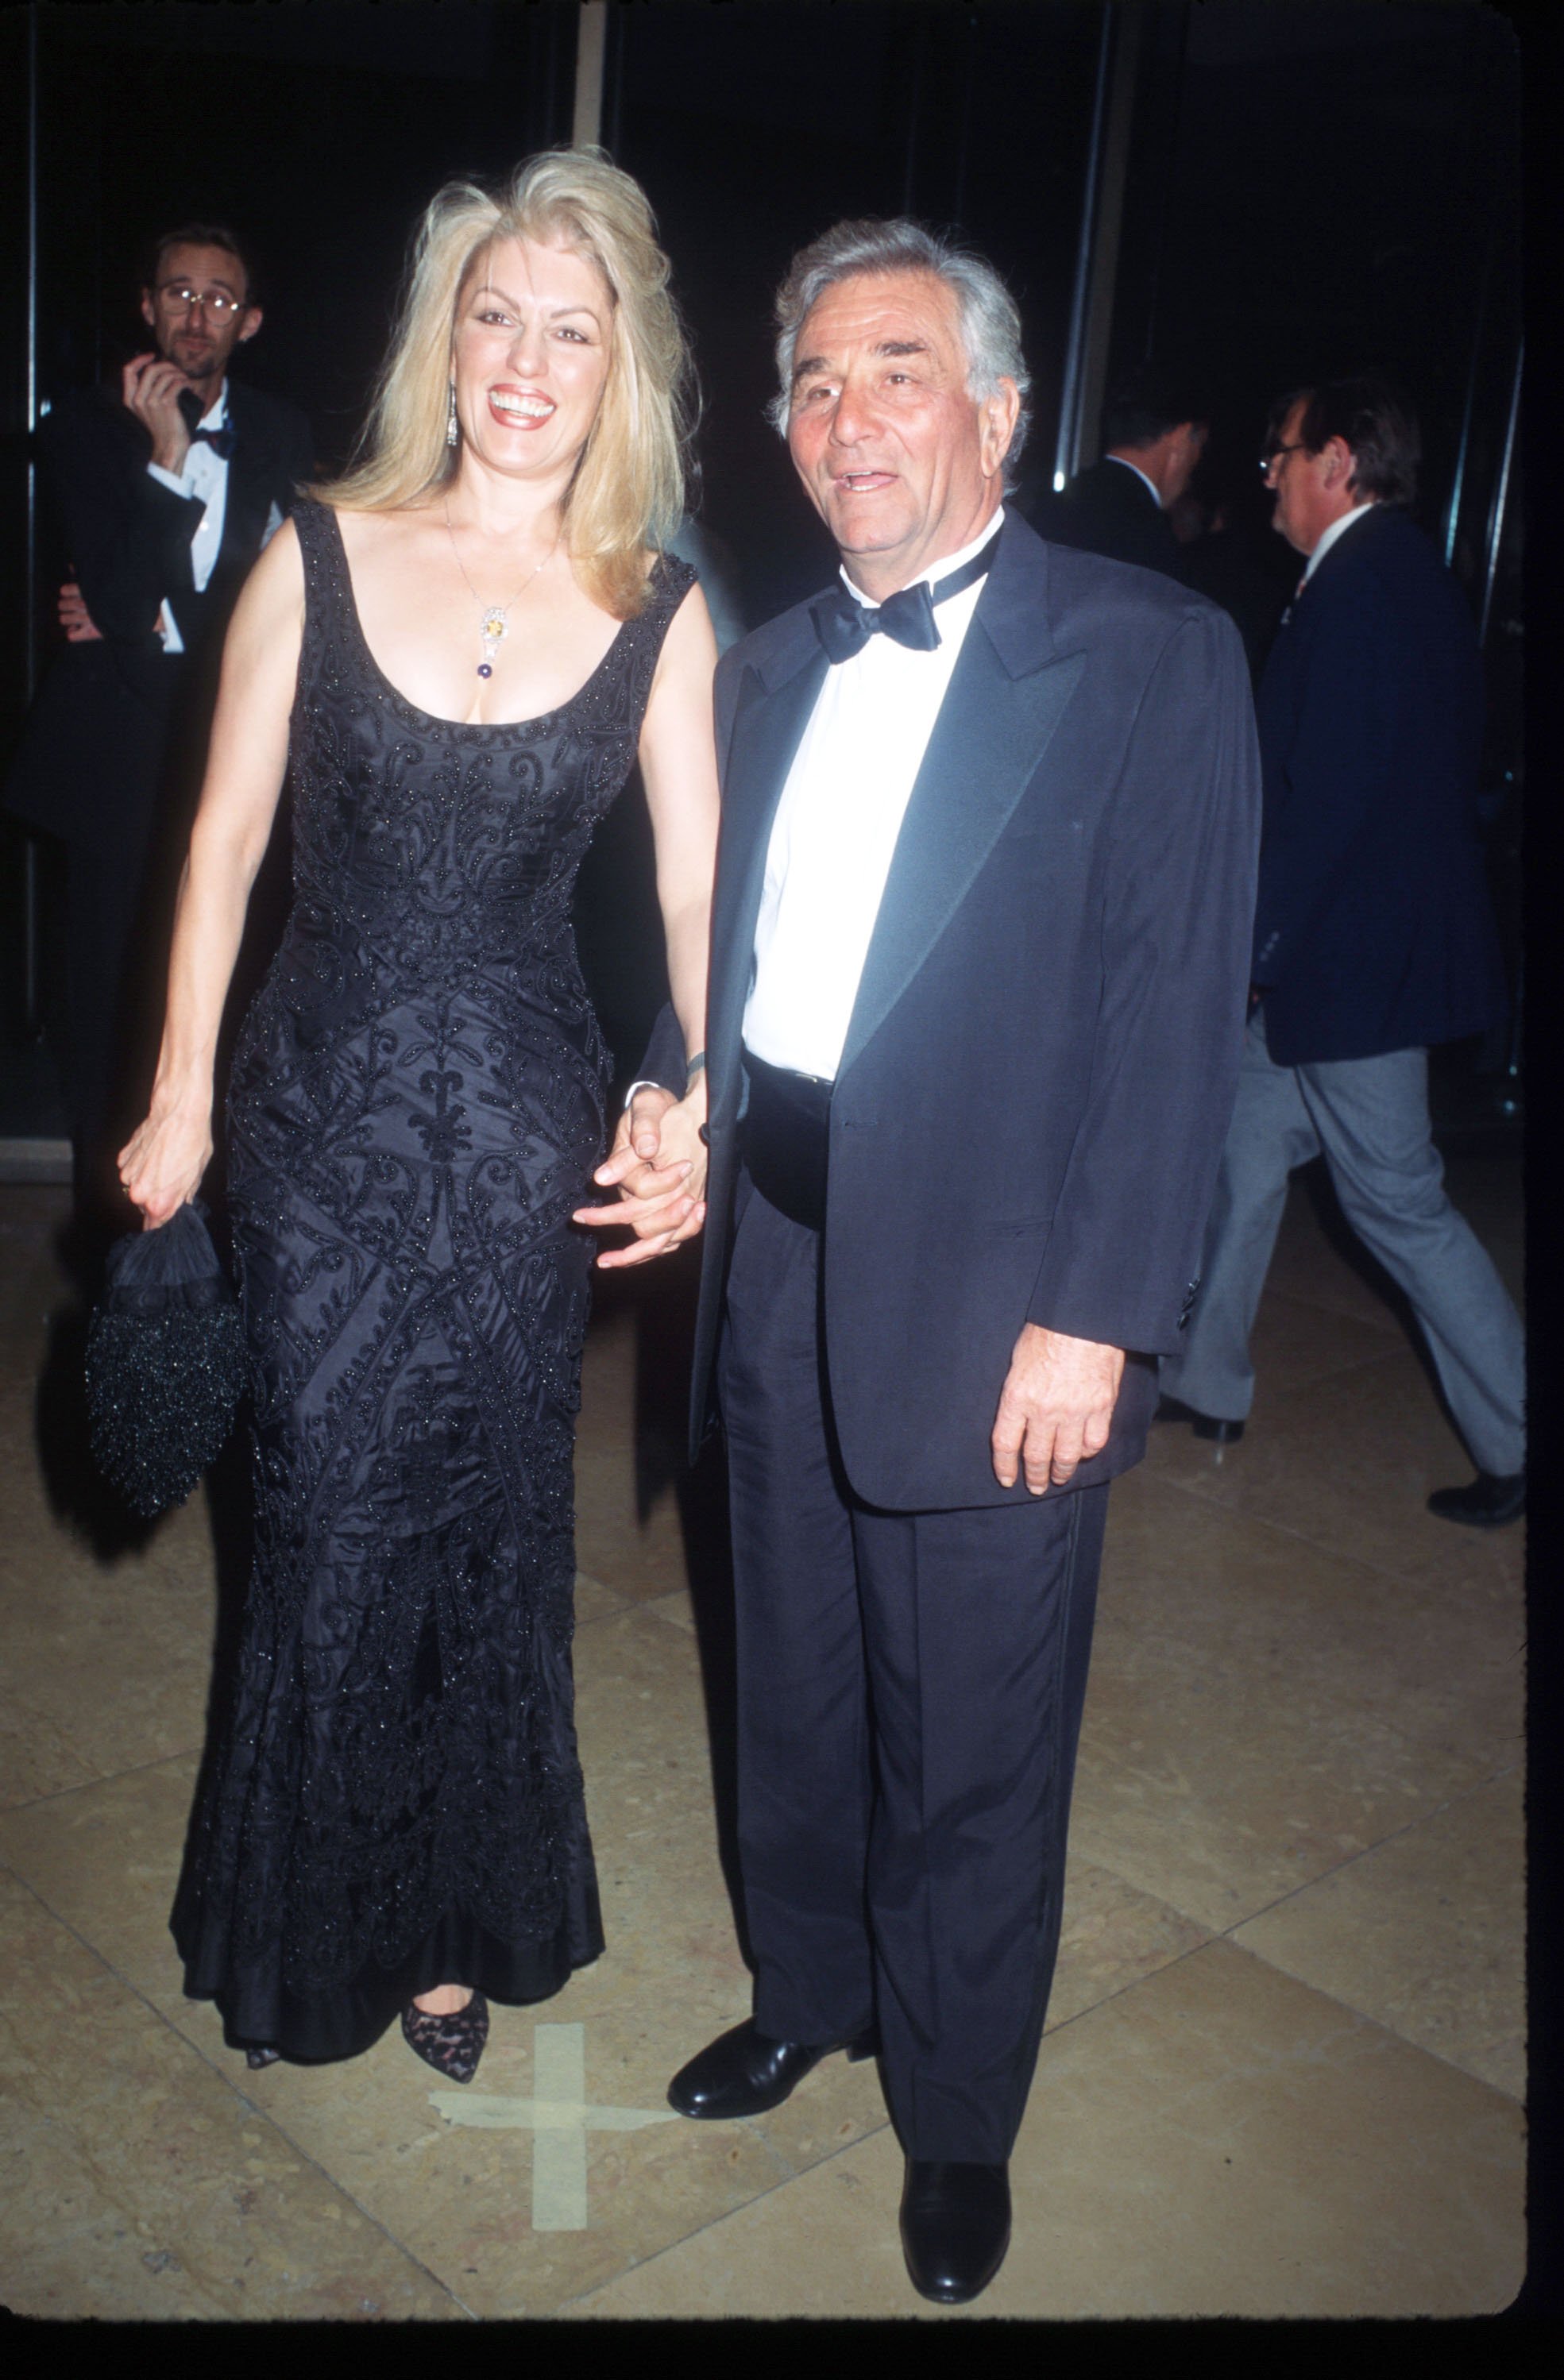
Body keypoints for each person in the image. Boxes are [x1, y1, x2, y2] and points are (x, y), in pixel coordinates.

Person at [577, 218, 1260, 2302]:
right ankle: (809, 1988)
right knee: (783, 1669)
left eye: (891, 372)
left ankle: (956, 2114)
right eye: (809, 385)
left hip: (1001, 1287)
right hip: (772, 1253)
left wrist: (1106, 1308)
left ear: (998, 407)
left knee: (971, 1726)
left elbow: (1174, 1012)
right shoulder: (764, 661)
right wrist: (664, 1091)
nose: (844, 418)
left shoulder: (1149, 656)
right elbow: (721, 955)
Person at [117, 151, 720, 2077]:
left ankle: (453, 1933)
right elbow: (215, 846)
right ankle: (310, 1933)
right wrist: (179, 1100)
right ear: (440, 341)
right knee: (321, 1528)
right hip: (316, 1130)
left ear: (618, 362)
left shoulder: (659, 605)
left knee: (480, 1536)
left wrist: (689, 1087)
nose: (525, 361)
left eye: (569, 327)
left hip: (527, 1157)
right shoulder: (317, 548)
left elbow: (705, 891)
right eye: (494, 317)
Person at [1157, 376, 1524, 1526]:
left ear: (1338, 463)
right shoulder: (1402, 576)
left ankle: (1522, 1436)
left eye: (1281, 452)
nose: (1266, 473)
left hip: (1350, 970)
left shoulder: (1362, 591)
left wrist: (1255, 946)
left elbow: (1334, 807)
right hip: (1350, 956)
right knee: (1239, 1140)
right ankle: (1203, 1377)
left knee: (1401, 1206)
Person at [3, 225, 313, 1236]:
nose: (196, 314)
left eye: (220, 299)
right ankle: (114, 1255)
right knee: (107, 1024)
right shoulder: (86, 431)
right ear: (147, 305)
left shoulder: (282, 436)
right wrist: (169, 460)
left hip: (231, 765)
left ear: (250, 321)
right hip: (114, 776)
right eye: (178, 293)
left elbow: (253, 619)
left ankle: (208, 1244)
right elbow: (133, 604)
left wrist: (152, 620)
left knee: (219, 1015)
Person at [1026, 364, 1207, 579]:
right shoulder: (1146, 536)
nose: (1198, 460)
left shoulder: (1056, 503)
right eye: (1201, 446)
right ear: (1182, 437)